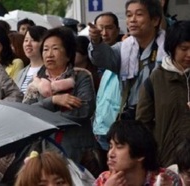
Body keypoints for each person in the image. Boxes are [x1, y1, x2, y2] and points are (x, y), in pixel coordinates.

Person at [23, 26, 96, 162]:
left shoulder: (81, 77)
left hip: (76, 151)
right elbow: (28, 114)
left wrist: (45, 117)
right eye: (45, 49)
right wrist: (53, 100)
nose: (49, 54)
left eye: (55, 49)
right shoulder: (36, 83)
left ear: (68, 54)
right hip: (43, 151)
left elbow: (85, 109)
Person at [88, 0, 166, 121]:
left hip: (160, 119)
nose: (132, 20)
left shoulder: (168, 49)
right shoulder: (124, 48)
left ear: (155, 20)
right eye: (129, 15)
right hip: (131, 120)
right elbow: (102, 59)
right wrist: (96, 42)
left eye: (139, 14)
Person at [136, 20, 190, 167]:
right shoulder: (156, 79)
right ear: (172, 48)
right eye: (183, 48)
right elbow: (143, 123)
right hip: (167, 160)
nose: (189, 54)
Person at [94, 120, 182, 186]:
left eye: (119, 146)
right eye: (110, 146)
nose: (110, 153)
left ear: (140, 154)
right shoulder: (105, 180)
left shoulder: (166, 179)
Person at [91, 12, 121, 151]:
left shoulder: (125, 53)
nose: (104, 33)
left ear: (118, 30)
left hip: (117, 130)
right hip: (99, 130)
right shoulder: (93, 56)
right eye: (100, 28)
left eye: (109, 28)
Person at [15, 26, 47, 94]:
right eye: (26, 40)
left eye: (33, 40)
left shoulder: (49, 71)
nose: (28, 44)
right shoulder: (21, 73)